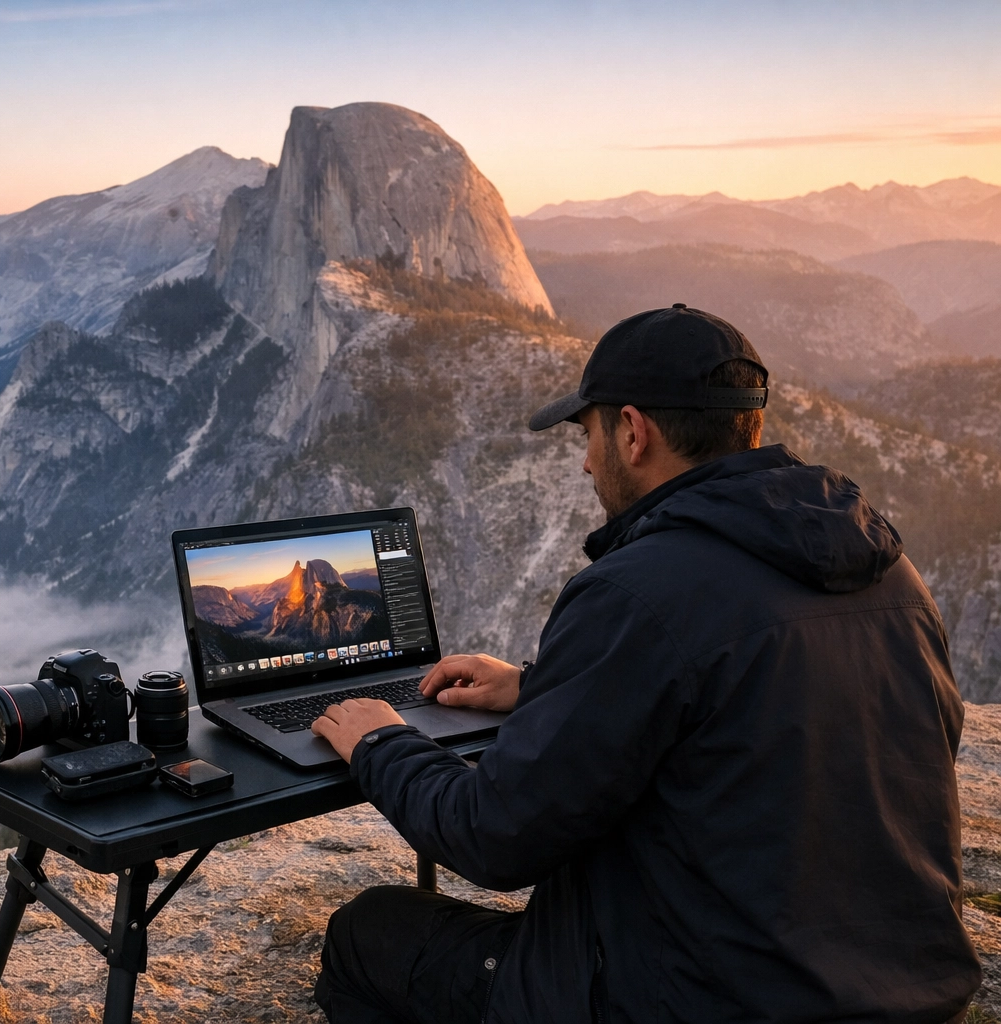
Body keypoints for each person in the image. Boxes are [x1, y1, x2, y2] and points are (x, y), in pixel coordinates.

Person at [310, 304, 980, 1023]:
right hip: (903, 993)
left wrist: (381, 741)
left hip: (693, 1001)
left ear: (633, 432)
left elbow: (494, 837)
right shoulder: (891, 573)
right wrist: (541, 688)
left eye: (591, 433)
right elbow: (751, 697)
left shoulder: (639, 589)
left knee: (367, 932)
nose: (587, 459)